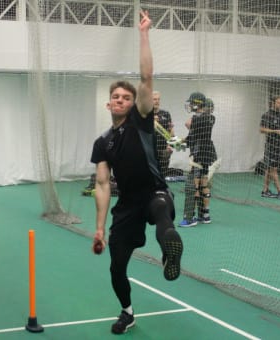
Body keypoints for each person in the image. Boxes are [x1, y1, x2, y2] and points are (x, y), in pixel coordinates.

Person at [90, 11, 183, 335]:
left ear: (133, 105)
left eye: (126, 98)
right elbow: (102, 184)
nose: (121, 100)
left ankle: (170, 252)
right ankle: (127, 312)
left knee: (161, 211)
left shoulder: (140, 121)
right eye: (116, 97)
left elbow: (146, 77)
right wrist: (100, 229)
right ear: (108, 104)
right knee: (117, 266)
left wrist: (144, 33)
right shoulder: (103, 142)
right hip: (127, 203)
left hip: (154, 191)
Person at [179, 92, 217, 227]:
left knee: (193, 185)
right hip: (206, 153)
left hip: (199, 153)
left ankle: (190, 218)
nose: (190, 105)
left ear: (197, 104)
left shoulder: (200, 119)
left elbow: (189, 128)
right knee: (204, 184)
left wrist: (194, 115)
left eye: (192, 103)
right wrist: (180, 141)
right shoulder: (209, 118)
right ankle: (205, 215)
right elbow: (192, 136)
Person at [260, 95, 280, 200]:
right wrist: (275, 131)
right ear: (273, 103)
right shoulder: (267, 115)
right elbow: (262, 130)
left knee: (269, 169)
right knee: (273, 169)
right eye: (278, 102)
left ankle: (265, 190)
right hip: (271, 145)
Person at [153, 91, 175, 177]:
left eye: (158, 99)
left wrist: (170, 145)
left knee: (163, 173)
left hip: (163, 149)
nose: (157, 101)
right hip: (150, 149)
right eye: (154, 99)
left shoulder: (166, 114)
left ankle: (163, 190)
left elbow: (170, 130)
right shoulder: (145, 114)